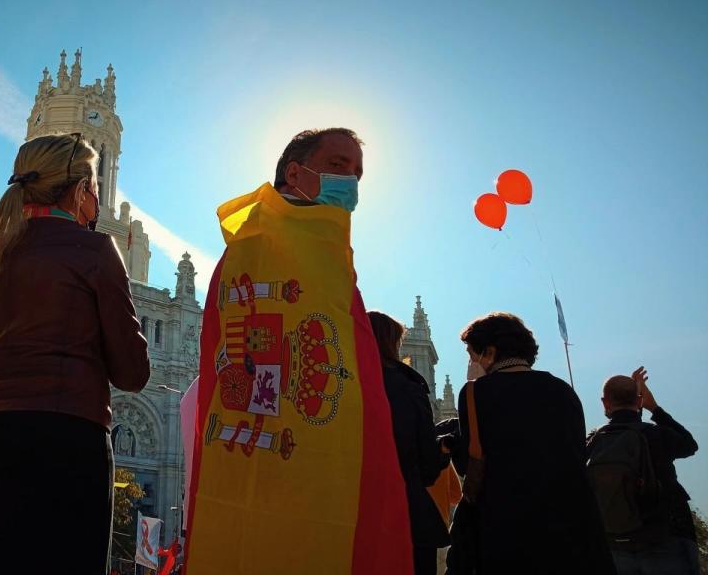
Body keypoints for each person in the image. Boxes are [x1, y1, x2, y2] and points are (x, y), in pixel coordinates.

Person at [185, 128, 413, 574]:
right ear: (295, 172)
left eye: (358, 174)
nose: (351, 183)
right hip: (276, 455)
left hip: (324, 465)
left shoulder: (326, 251)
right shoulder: (260, 247)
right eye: (337, 166)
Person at [0, 133, 150, 574]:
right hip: (65, 447)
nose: (95, 201)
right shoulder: (95, 250)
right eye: (92, 189)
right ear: (79, 192)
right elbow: (133, 372)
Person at [451, 312, 615, 574]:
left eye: (472, 355)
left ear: (490, 352)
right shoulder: (564, 391)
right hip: (574, 528)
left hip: (509, 528)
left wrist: (476, 384)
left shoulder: (475, 392)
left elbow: (471, 463)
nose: (472, 362)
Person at [587, 367, 700, 574]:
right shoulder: (656, 435)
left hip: (615, 543)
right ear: (639, 401)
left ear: (605, 403)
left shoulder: (593, 443)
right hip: (665, 536)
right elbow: (689, 445)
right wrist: (654, 407)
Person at [368, 311, 450, 574]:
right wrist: (444, 451)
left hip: (349, 514)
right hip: (404, 513)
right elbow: (427, 466)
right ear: (393, 344)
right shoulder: (410, 386)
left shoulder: (340, 384)